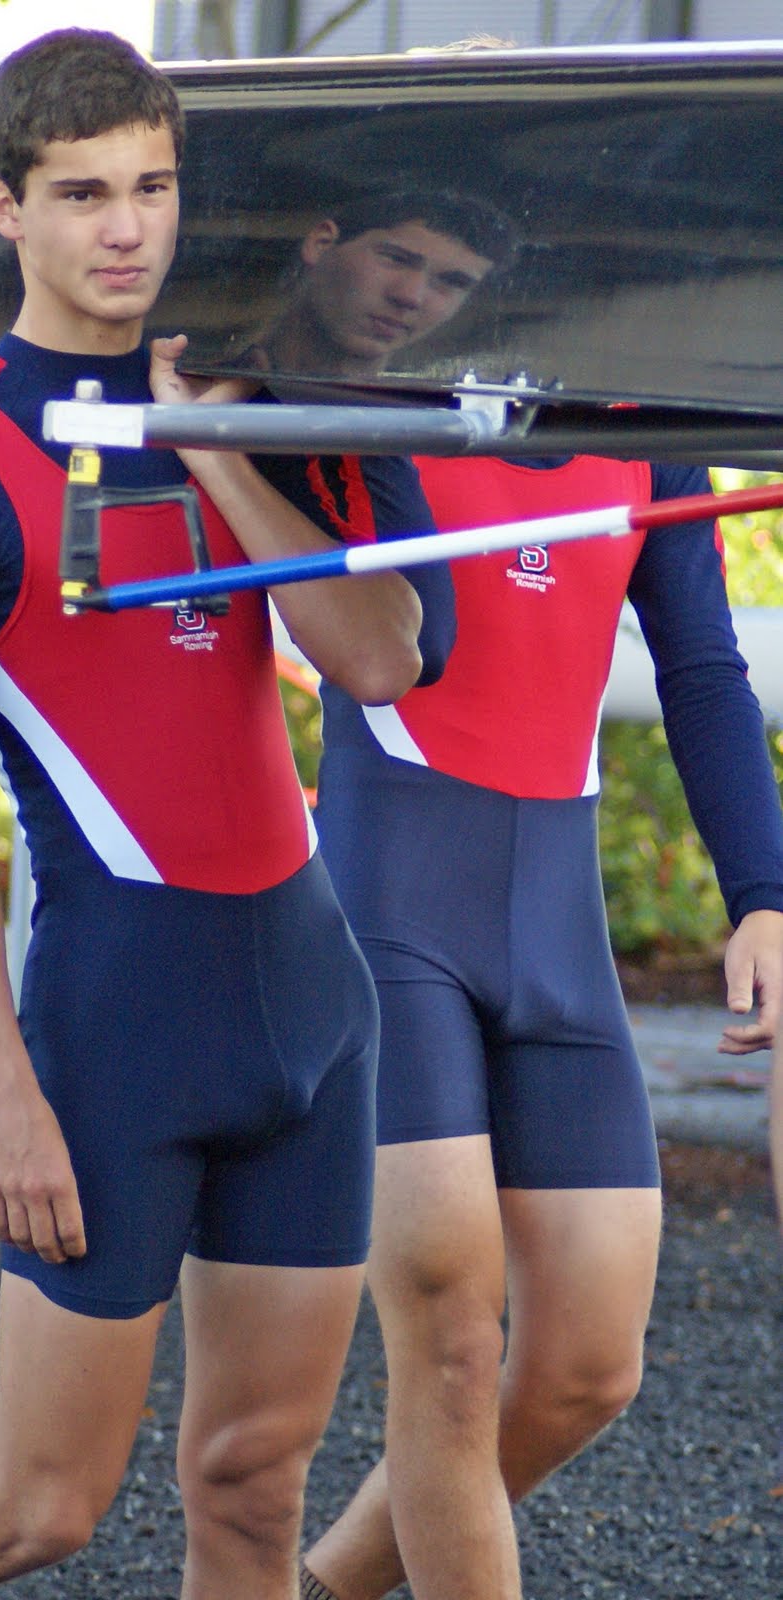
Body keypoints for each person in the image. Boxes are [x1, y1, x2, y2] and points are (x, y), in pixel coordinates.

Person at [0, 29, 451, 1600]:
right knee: (39, 1504)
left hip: (314, 1013)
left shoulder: (264, 397)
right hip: (116, 1022)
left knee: (251, 1488)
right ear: (5, 208)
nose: (128, 228)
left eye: (155, 187)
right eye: (85, 192)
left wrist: (218, 438)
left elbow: (379, 661)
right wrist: (0, 1083)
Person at [295, 317, 783, 1597]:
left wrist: (765, 896)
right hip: (392, 908)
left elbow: (702, 666)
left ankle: (323, 1586)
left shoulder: (647, 420)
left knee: (586, 1368)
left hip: (554, 925)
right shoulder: (362, 385)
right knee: (451, 1351)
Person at [232, 186, 514, 383]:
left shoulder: (452, 433)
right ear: (321, 244)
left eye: (452, 282)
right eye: (395, 259)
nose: (410, 296)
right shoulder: (194, 399)